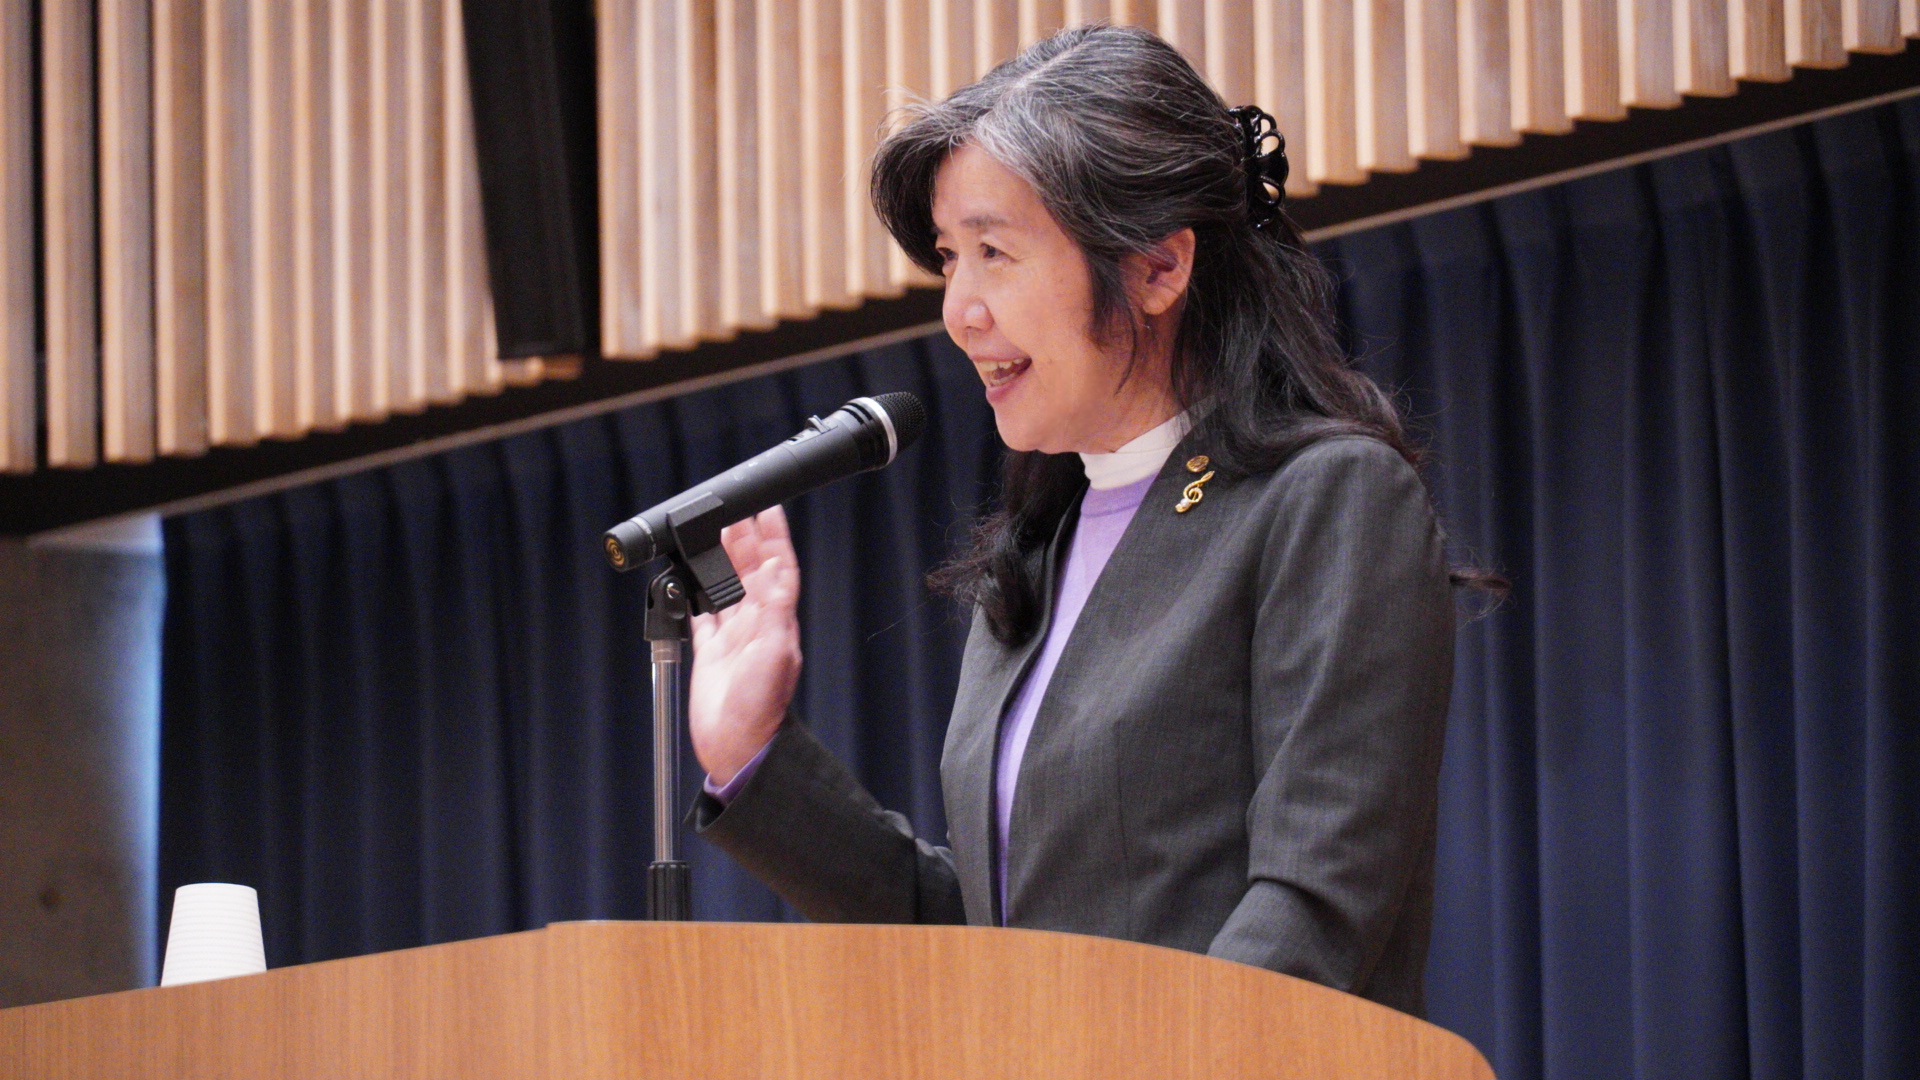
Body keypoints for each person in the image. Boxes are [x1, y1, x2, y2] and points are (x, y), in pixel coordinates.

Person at [683, 24, 1459, 1018]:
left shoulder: (1326, 499)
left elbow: (1311, 913)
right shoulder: (1043, 550)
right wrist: (752, 753)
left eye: (994, 252)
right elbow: (987, 954)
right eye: (950, 259)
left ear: (1158, 268)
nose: (959, 308)